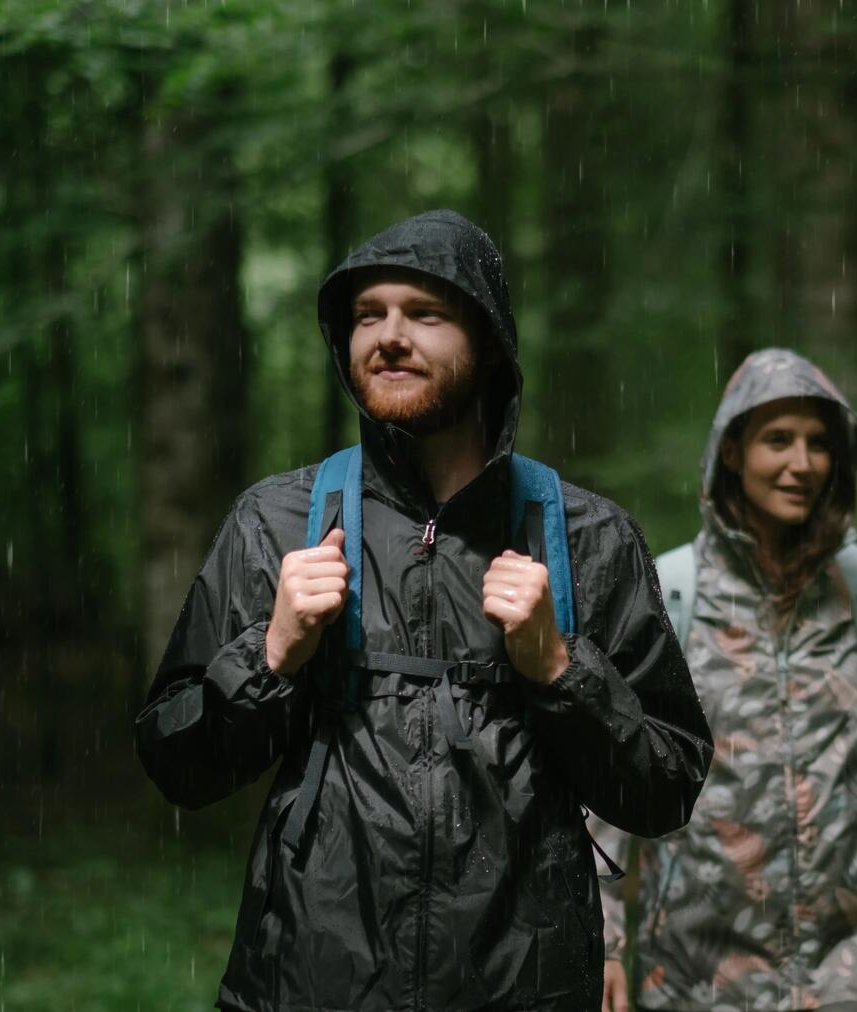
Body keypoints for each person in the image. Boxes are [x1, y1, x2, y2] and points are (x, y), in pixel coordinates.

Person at [136, 209, 713, 1012]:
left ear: (489, 345)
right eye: (367, 317)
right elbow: (176, 764)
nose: (389, 336)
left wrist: (559, 668)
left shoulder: (588, 536)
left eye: (425, 314)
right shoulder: (278, 520)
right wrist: (270, 655)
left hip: (525, 989)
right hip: (312, 982)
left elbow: (667, 787)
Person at [595, 348, 857, 1011]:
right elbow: (613, 778)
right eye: (778, 440)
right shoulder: (669, 594)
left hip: (853, 973)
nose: (800, 464)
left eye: (817, 444)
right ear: (731, 452)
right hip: (697, 977)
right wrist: (601, 940)